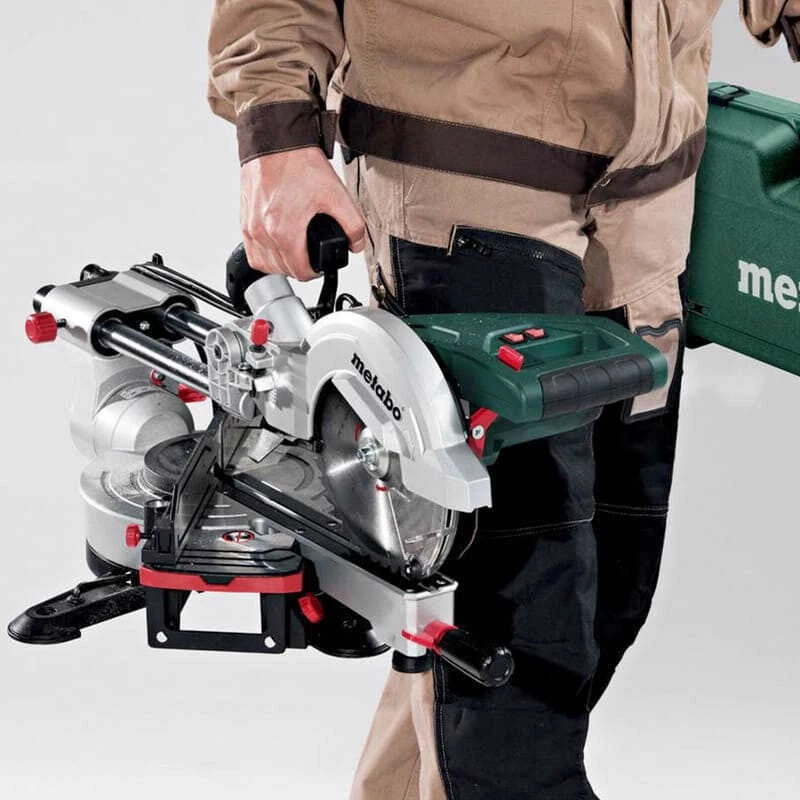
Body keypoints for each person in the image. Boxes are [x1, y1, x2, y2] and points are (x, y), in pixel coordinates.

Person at [207, 3, 800, 798]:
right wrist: (276, 135)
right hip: (472, 198)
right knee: (524, 616)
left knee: (605, 588)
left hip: (652, 210)